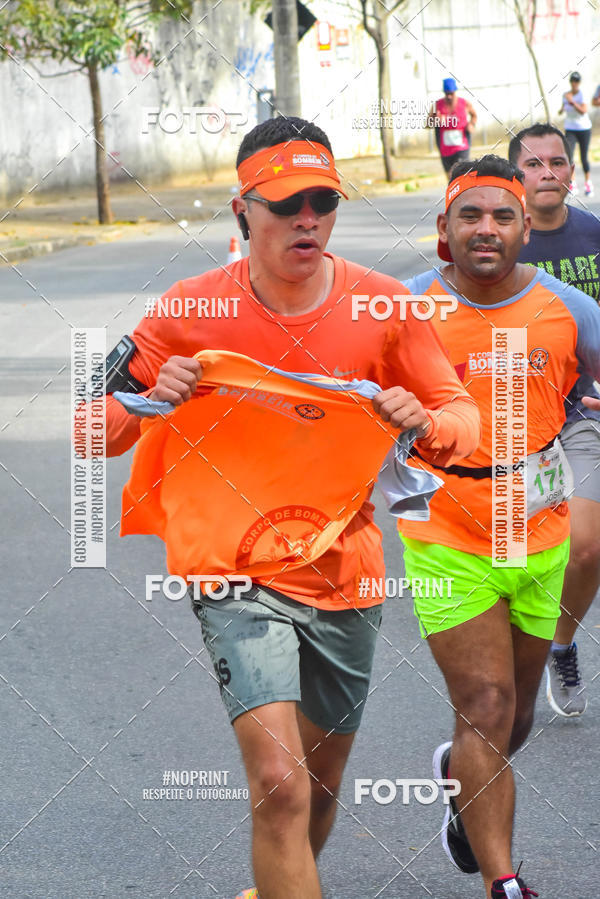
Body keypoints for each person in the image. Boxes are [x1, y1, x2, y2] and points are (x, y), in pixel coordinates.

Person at [100, 117, 480, 899]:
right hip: (231, 566)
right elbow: (86, 426)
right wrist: (144, 399)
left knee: (319, 780)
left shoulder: (383, 308)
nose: (307, 217)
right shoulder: (184, 309)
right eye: (286, 203)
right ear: (243, 211)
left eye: (322, 200)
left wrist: (426, 421)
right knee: (279, 780)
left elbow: (463, 419)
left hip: (345, 565)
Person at [397, 155, 600, 898]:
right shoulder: (404, 310)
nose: (486, 228)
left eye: (501, 215)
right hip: (445, 533)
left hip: (537, 533)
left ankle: (459, 776)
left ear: (522, 228)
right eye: (470, 216)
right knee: (484, 706)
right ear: (444, 230)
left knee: (508, 724)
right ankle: (503, 881)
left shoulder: (571, 310)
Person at [508, 122, 600, 716]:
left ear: (571, 172)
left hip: (583, 411)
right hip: (516, 417)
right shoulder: (499, 241)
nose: (549, 172)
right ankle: (512, 657)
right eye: (535, 164)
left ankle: (560, 646)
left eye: (557, 162)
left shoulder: (594, 232)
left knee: (587, 548)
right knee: (512, 552)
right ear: (516, 179)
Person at [426, 76, 477, 179]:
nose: (449, 96)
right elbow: (427, 124)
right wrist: (435, 119)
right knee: (450, 176)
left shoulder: (465, 103)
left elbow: (474, 116)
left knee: (462, 172)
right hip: (445, 148)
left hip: (462, 146)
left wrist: (471, 124)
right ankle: (453, 193)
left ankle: (463, 192)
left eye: (451, 94)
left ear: (455, 92)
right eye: (446, 94)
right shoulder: (437, 105)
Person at [558, 71, 593, 195]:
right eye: (573, 81)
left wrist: (572, 102)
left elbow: (583, 111)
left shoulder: (582, 95)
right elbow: (561, 111)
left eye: (577, 81)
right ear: (570, 82)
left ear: (579, 83)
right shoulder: (565, 95)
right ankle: (572, 183)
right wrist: (562, 109)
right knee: (570, 156)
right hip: (570, 128)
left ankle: (588, 184)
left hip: (584, 129)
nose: (575, 83)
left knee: (584, 158)